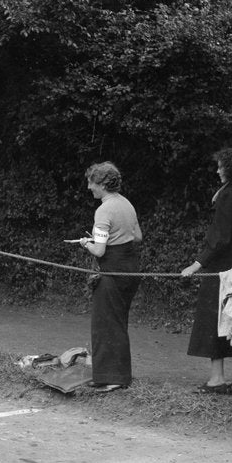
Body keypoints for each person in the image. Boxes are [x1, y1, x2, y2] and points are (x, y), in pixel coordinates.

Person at [181, 145, 232, 396]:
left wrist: (196, 264)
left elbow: (220, 237)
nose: (217, 170)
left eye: (221, 166)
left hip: (223, 266)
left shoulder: (229, 195)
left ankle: (217, 379)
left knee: (215, 318)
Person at [73, 161, 143, 391]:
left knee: (104, 324)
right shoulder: (127, 204)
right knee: (118, 322)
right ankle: (119, 375)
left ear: (102, 184)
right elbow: (137, 237)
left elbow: (99, 250)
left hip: (111, 269)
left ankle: (110, 378)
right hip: (130, 267)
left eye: (91, 183)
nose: (89, 187)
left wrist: (86, 243)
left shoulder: (103, 209)